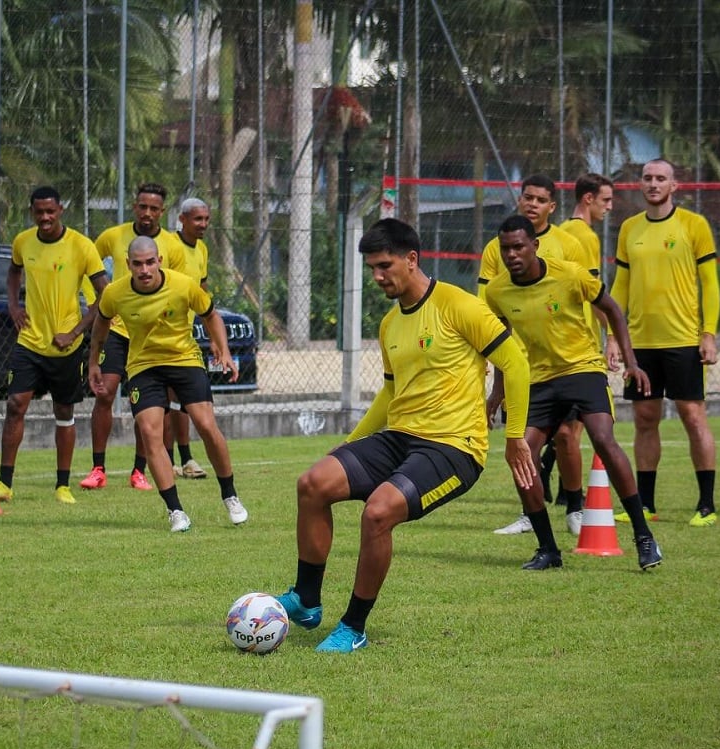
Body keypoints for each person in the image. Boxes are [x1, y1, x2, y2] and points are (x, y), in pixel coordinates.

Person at [275, 218, 538, 654]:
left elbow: (516, 363)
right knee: (313, 483)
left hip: (455, 447)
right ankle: (306, 600)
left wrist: (515, 437)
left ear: (412, 259)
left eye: (384, 266)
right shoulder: (390, 325)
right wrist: (352, 440)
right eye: (372, 268)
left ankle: (353, 626)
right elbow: (391, 392)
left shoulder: (460, 306)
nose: (377, 277)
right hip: (401, 435)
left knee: (378, 512)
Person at [485, 215, 662, 571]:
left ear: (534, 245)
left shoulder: (570, 274)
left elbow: (612, 310)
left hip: (583, 370)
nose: (512, 254)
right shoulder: (497, 291)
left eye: (519, 246)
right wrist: (495, 395)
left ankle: (644, 538)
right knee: (521, 455)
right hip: (537, 381)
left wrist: (631, 362)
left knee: (602, 438)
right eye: (505, 248)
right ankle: (548, 549)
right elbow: (502, 347)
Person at [87, 236, 248, 533]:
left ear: (159, 260)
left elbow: (211, 315)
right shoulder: (115, 293)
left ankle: (230, 495)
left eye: (150, 262)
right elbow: (101, 323)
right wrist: (95, 362)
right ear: (128, 265)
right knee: (151, 434)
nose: (145, 269)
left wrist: (222, 349)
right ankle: (175, 510)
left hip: (184, 360)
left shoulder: (184, 284)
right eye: (138, 264)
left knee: (206, 425)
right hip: (143, 367)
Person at [478, 174, 594, 538]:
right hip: (518, 364)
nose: (532, 203)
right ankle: (531, 513)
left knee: (564, 436)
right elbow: (488, 313)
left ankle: (575, 506)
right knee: (523, 444)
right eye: (527, 197)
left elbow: (589, 297)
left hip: (565, 361)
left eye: (540, 199)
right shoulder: (496, 249)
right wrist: (490, 369)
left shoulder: (569, 244)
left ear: (552, 206)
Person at [608, 158, 720, 527]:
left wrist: (708, 333)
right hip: (640, 344)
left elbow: (710, 284)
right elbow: (620, 287)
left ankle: (706, 504)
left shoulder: (694, 225)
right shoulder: (629, 229)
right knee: (644, 418)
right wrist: (612, 336)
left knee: (692, 416)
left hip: (683, 340)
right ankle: (646, 504)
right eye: (647, 178)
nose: (653, 184)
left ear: (675, 186)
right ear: (640, 185)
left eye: (661, 179)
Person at [0, 186, 106, 504]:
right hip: (29, 342)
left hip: (65, 349)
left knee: (64, 411)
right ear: (32, 211)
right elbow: (14, 272)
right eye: (39, 212)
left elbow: (104, 295)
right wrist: (14, 307)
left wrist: (74, 333)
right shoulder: (22, 241)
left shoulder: (81, 246)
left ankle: (62, 485)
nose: (45, 217)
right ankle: (4, 484)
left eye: (50, 211)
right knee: (15, 404)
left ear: (60, 210)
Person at [82, 182, 188, 492]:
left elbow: (179, 289)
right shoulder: (113, 236)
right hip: (117, 330)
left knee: (148, 403)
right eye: (142, 206)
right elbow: (89, 266)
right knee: (104, 393)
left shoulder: (173, 246)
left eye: (154, 208)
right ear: (135, 206)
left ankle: (138, 471)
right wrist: (97, 302)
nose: (147, 213)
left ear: (162, 211)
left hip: (154, 338)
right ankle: (98, 468)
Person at [165, 197, 212, 481]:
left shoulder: (202, 249)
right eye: (198, 219)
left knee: (180, 400)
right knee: (169, 400)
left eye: (206, 219)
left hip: (188, 333)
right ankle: (171, 459)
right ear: (182, 219)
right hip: (166, 333)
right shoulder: (170, 246)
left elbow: (202, 288)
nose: (203, 224)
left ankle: (184, 459)